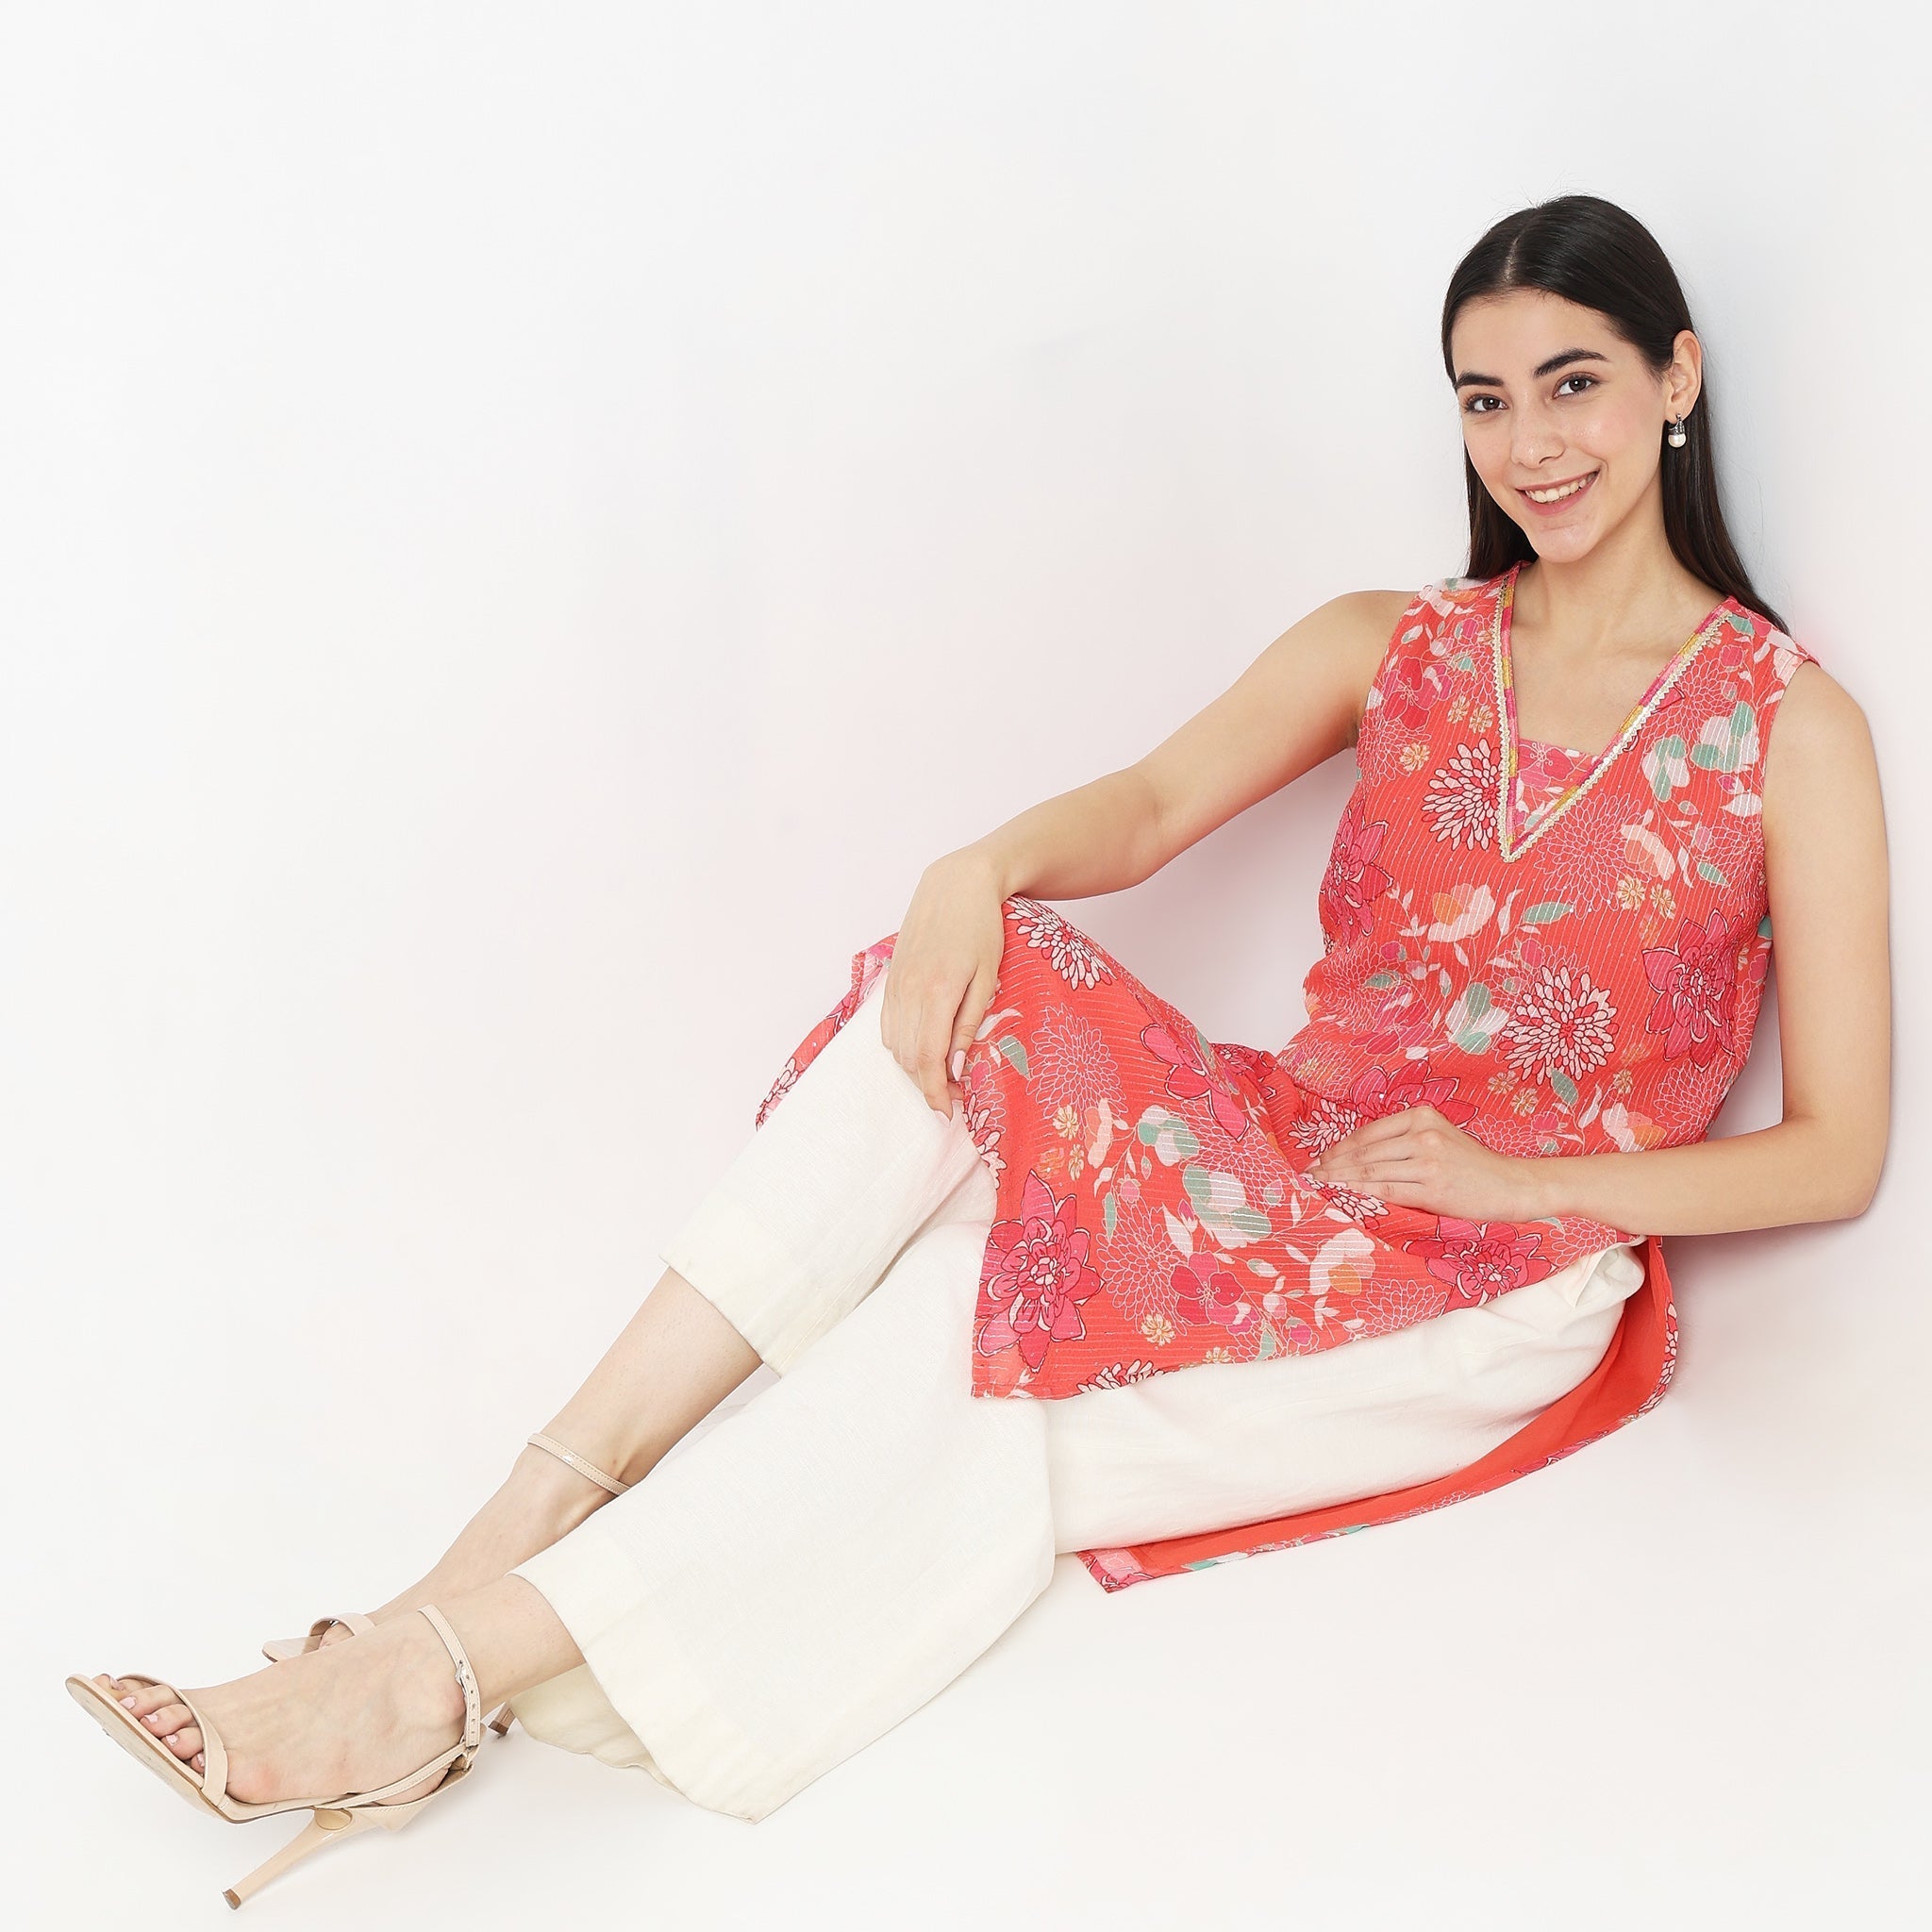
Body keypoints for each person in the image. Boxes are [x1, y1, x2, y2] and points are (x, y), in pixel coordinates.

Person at [66, 192, 1890, 1907]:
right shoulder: (1395, 644)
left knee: (964, 1299)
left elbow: (1838, 1153)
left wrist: (1509, 1177)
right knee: (988, 987)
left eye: (1573, 383)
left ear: (1678, 376)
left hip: (1496, 1264)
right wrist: (979, 866)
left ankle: (427, 1666)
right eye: (1485, 400)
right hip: (1284, 1158)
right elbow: (1154, 802)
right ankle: (496, 1554)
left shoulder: (1788, 727)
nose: (1531, 444)